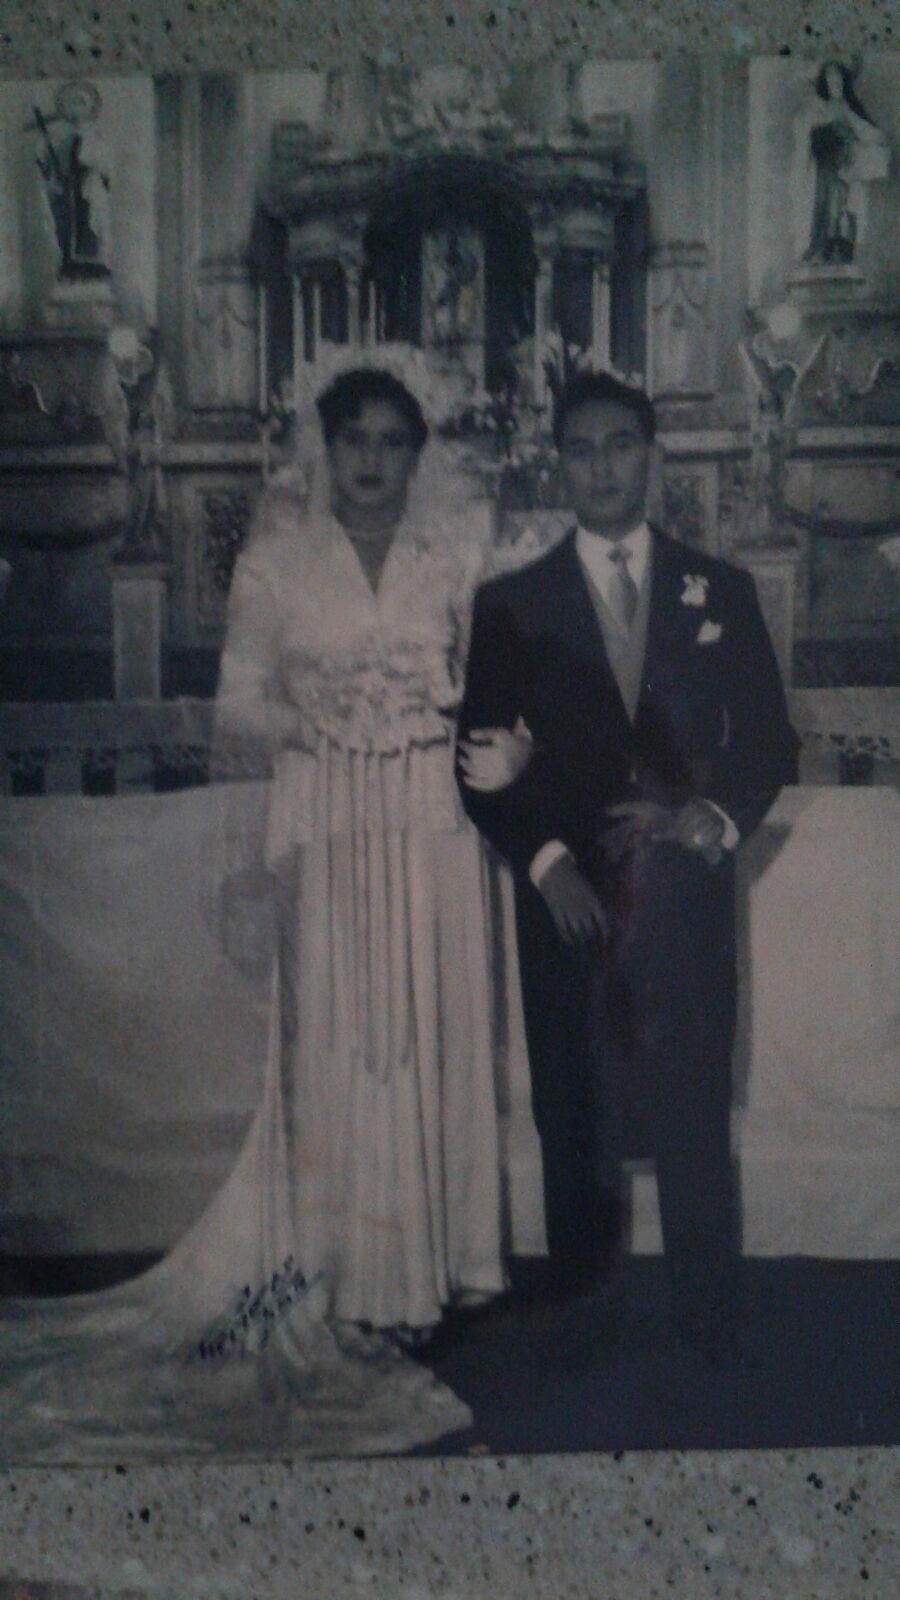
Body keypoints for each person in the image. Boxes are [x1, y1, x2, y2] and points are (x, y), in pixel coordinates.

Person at [0, 358, 522, 1463]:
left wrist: (481, 731)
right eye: (356, 441)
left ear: (416, 455)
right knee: (337, 1039)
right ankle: (337, 1278)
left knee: (425, 1031)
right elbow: (236, 704)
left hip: (428, 813)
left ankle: (420, 1278)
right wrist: (321, 710)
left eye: (393, 442)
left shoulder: (449, 559)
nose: (374, 461)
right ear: (322, 451)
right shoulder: (278, 560)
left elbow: (495, 687)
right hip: (324, 812)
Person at [456, 369, 800, 1359]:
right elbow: (475, 763)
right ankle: (581, 1315)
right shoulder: (514, 601)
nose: (600, 466)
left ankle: (708, 1330)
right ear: (558, 462)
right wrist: (549, 860)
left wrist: (711, 815)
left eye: (618, 446)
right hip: (571, 903)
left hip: (681, 899)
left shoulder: (717, 589)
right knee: (575, 1109)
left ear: (651, 458)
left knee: (691, 1110)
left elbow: (769, 743)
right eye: (580, 449)